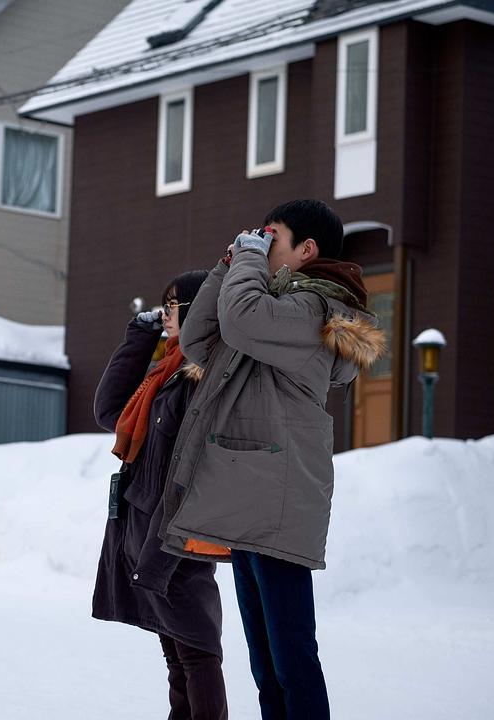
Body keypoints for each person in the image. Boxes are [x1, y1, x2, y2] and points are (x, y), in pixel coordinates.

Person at [159, 199, 385, 720]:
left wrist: (245, 262)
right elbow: (198, 340)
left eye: (271, 237)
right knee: (265, 665)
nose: (260, 247)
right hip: (250, 499)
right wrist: (227, 266)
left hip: (279, 502)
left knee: (292, 660)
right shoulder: (271, 309)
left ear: (307, 250)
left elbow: (241, 319)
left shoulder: (314, 309)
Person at [92, 271, 230, 720]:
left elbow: (193, 468)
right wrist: (140, 334)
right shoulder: (167, 370)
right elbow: (109, 410)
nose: (164, 313)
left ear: (195, 310)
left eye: (172, 305)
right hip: (144, 525)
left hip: (175, 530)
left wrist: (162, 539)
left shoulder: (199, 375)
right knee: (176, 651)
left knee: (197, 648)